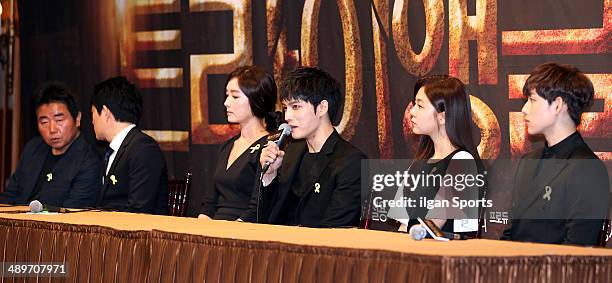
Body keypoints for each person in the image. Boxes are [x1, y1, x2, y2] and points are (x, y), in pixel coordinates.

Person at [240, 67, 366, 227]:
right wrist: (269, 176)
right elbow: (265, 219)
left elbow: (336, 230)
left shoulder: (351, 162)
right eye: (286, 108)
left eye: (296, 107)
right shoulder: (289, 153)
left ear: (322, 108)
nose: (287, 117)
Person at [501, 63, 609, 245]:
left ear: (558, 105)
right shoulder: (528, 161)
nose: (524, 109)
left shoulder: (587, 169)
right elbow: (511, 232)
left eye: (532, 100)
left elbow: (577, 252)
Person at [398, 75, 484, 236]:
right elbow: (403, 228)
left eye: (420, 106)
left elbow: (431, 228)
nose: (412, 112)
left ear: (443, 116)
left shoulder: (463, 162)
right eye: (414, 105)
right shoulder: (417, 164)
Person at [0, 82, 100, 208]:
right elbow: (9, 196)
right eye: (44, 122)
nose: (52, 129)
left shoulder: (89, 162)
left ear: (77, 119)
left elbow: (72, 214)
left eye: (59, 120)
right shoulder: (33, 149)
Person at [198, 65, 280, 220]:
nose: (226, 103)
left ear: (257, 99)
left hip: (243, 233)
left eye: (235, 96)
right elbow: (209, 203)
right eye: (226, 95)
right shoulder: (227, 147)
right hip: (215, 230)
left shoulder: (270, 147)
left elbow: (257, 209)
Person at [90, 76, 168, 214]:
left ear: (106, 113)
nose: (92, 121)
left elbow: (139, 209)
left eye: (93, 113)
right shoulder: (113, 151)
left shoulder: (143, 149)